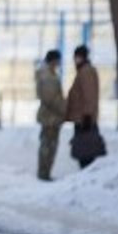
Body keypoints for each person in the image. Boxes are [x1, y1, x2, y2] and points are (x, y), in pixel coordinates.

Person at [66, 44, 105, 168]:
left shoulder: (86, 72)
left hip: (84, 118)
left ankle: (87, 172)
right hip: (83, 117)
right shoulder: (84, 71)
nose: (75, 60)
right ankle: (86, 172)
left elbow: (89, 95)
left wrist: (87, 115)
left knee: (86, 150)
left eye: (77, 57)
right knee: (85, 149)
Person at [34, 49, 67, 181]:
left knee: (49, 145)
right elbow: (51, 98)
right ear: (53, 60)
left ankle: (45, 172)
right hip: (50, 117)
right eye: (58, 60)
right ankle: (44, 173)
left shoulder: (49, 74)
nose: (59, 63)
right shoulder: (47, 76)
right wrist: (64, 110)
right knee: (48, 145)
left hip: (51, 117)